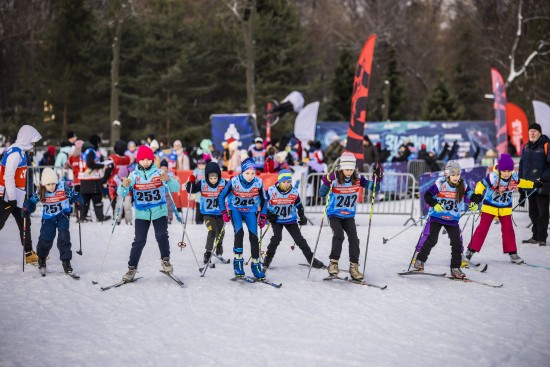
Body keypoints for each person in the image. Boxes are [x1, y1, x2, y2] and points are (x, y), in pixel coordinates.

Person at [117, 145, 181, 282]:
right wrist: (124, 185)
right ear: (138, 161)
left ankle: (166, 261)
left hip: (159, 210)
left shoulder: (159, 173)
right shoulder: (134, 175)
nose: (145, 162)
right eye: (142, 159)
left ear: (152, 160)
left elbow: (176, 188)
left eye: (148, 159)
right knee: (139, 240)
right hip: (142, 212)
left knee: (161, 235)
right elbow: (121, 193)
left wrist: (168, 179)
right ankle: (131, 269)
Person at [318, 152, 383, 281]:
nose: (349, 172)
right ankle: (333, 263)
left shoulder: (358, 179)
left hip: (349, 216)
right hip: (334, 214)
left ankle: (354, 266)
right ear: (341, 168)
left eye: (351, 169)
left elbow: (375, 188)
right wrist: (327, 181)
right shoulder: (335, 178)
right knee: (339, 235)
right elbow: (321, 193)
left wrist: (378, 178)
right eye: (347, 169)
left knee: (354, 238)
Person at [413, 161, 480, 279]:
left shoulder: (462, 185)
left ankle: (455, 268)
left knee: (456, 243)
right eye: (453, 174)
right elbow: (427, 195)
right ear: (447, 175)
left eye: (458, 174)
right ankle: (419, 260)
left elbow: (472, 195)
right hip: (437, 217)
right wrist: (434, 203)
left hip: (452, 219)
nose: (456, 177)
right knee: (432, 239)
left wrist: (475, 202)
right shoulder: (441, 183)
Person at [465, 154, 536, 264]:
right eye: (504, 171)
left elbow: (522, 182)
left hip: (505, 208)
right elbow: (480, 184)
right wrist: (478, 194)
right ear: (500, 169)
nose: (507, 173)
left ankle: (513, 253)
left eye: (509, 170)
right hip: (490, 207)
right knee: (482, 229)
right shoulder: (493, 177)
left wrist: (534, 184)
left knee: (508, 230)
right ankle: (470, 252)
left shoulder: (514, 177)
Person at [22, 168, 84, 274]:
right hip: (48, 218)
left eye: (53, 184)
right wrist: (26, 208)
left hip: (62, 215)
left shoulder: (63, 187)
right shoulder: (41, 191)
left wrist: (78, 201)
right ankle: (41, 259)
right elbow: (31, 202)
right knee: (45, 239)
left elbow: (76, 195)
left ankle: (66, 262)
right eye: (48, 184)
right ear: (44, 185)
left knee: (64, 237)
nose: (51, 187)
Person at [263, 170, 325, 271]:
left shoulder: (294, 191)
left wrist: (302, 216)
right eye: (284, 182)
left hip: (290, 219)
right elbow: (262, 201)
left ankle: (311, 259)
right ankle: (267, 260)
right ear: (279, 181)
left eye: (288, 182)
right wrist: (268, 214)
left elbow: (299, 205)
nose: (286, 184)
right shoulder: (271, 190)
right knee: (277, 238)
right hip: (276, 219)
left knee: (299, 240)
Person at [218, 158, 267, 279]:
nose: (250, 176)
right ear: (242, 172)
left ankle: (256, 266)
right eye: (247, 173)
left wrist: (263, 215)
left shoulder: (258, 182)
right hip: (236, 211)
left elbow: (264, 200)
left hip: (251, 211)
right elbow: (221, 196)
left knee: (254, 237)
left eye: (253, 173)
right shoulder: (234, 181)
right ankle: (238, 263)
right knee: (239, 233)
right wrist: (224, 211)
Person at [0, 125, 42, 264]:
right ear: (26, 138)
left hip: (17, 196)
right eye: (32, 140)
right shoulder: (15, 153)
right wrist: (11, 198)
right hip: (6, 196)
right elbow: (8, 176)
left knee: (25, 221)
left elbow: (20, 174)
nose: (34, 144)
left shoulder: (21, 151)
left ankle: (29, 254)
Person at [186, 162, 227, 264]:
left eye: (215, 178)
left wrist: (234, 182)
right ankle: (208, 252)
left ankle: (219, 246)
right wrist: (190, 183)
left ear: (219, 176)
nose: (213, 181)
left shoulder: (223, 183)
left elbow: (233, 191)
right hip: (207, 213)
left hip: (220, 213)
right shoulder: (202, 183)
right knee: (212, 231)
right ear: (207, 176)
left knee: (221, 231)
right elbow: (191, 190)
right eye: (211, 178)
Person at [518, 123, 550, 246]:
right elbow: (522, 166)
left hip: (542, 185)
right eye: (530, 131)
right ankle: (535, 236)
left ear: (540, 133)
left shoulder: (546, 145)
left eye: (535, 131)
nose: (532, 133)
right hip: (529, 185)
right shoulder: (526, 146)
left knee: (543, 213)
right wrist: (521, 187)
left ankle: (541, 238)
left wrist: (541, 178)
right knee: (533, 213)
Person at [78, 135, 111, 222]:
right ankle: (100, 217)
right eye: (98, 143)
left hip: (84, 179)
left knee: (85, 198)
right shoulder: (91, 151)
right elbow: (90, 164)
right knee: (97, 197)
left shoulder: (82, 152)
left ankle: (82, 217)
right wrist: (102, 165)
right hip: (92, 179)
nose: (99, 145)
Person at [104, 140, 132, 225]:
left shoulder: (113, 158)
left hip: (115, 183)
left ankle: (118, 218)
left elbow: (108, 171)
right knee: (122, 202)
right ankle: (121, 218)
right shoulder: (127, 158)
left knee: (116, 202)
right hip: (124, 182)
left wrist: (103, 180)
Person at [193, 159, 206, 225]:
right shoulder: (196, 171)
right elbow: (193, 178)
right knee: (198, 206)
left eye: (202, 164)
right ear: (197, 165)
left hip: (205, 191)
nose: (201, 166)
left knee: (204, 206)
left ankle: (202, 218)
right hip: (198, 191)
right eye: (200, 164)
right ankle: (198, 219)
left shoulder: (206, 171)